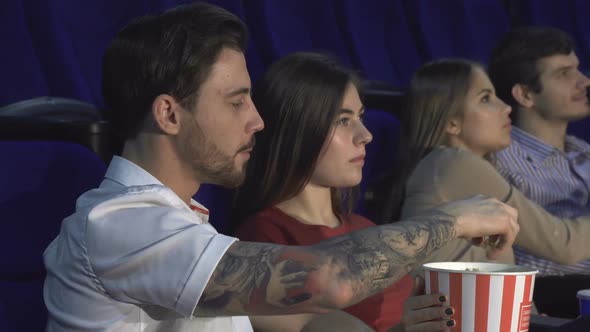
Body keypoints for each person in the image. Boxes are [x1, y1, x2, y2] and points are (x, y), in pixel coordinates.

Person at [42, 3, 519, 331]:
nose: (257, 120)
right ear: (169, 113)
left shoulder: (179, 222)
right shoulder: (121, 224)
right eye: (236, 102)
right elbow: (326, 279)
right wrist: (453, 219)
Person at [232, 52, 456, 332]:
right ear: (298, 131)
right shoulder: (264, 239)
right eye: (342, 120)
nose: (365, 135)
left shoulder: (366, 228)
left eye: (360, 117)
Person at [377, 58, 590, 271]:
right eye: (486, 99)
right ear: (452, 123)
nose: (506, 107)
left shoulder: (447, 164)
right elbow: (563, 244)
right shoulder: (456, 164)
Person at [487, 26, 590, 317]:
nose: (583, 81)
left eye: (578, 69)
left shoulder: (584, 151)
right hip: (554, 293)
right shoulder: (500, 160)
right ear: (525, 94)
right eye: (563, 74)